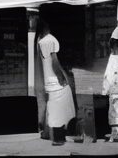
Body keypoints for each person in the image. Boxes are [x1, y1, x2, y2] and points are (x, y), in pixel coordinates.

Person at [37, 18, 76, 146]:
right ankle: (59, 137)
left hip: (48, 82)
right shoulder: (51, 40)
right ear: (47, 28)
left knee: (54, 107)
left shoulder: (40, 42)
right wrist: (61, 77)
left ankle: (51, 134)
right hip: (55, 81)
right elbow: (54, 62)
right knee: (62, 108)